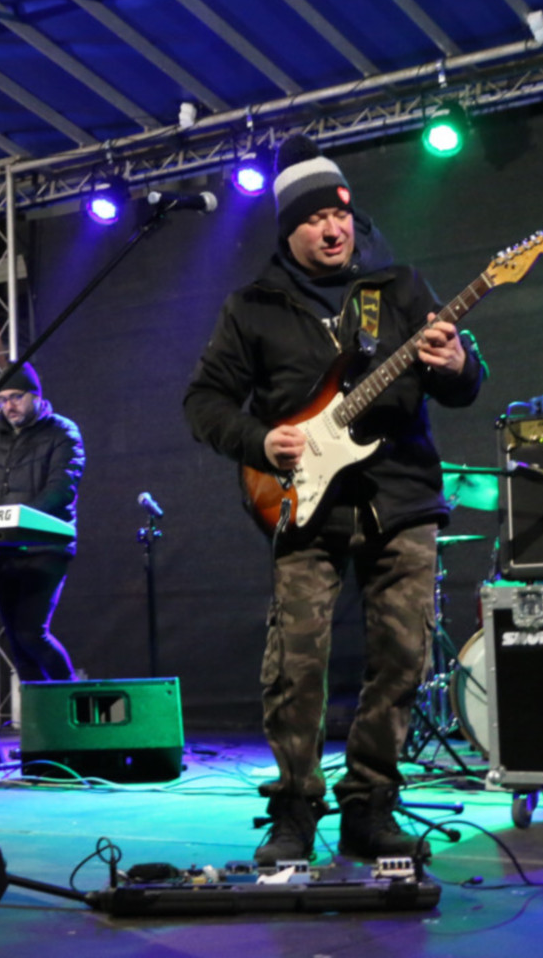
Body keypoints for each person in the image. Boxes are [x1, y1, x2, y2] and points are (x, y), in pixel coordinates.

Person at [183, 134, 485, 864]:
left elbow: (462, 385)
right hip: (301, 502)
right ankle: (294, 810)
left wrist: (458, 363)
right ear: (289, 228)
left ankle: (370, 807)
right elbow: (204, 402)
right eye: (316, 218)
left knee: (403, 657)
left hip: (403, 495)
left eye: (341, 214)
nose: (333, 229)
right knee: (295, 663)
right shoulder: (252, 306)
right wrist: (262, 442)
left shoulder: (399, 288)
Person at [0, 361, 84, 683]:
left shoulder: (63, 432)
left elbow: (60, 490)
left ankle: (71, 696)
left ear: (36, 396)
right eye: (2, 399)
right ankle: (40, 714)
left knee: (31, 633)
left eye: (16, 397)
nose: (9, 406)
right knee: (17, 644)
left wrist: (17, 522)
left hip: (46, 549)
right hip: (5, 551)